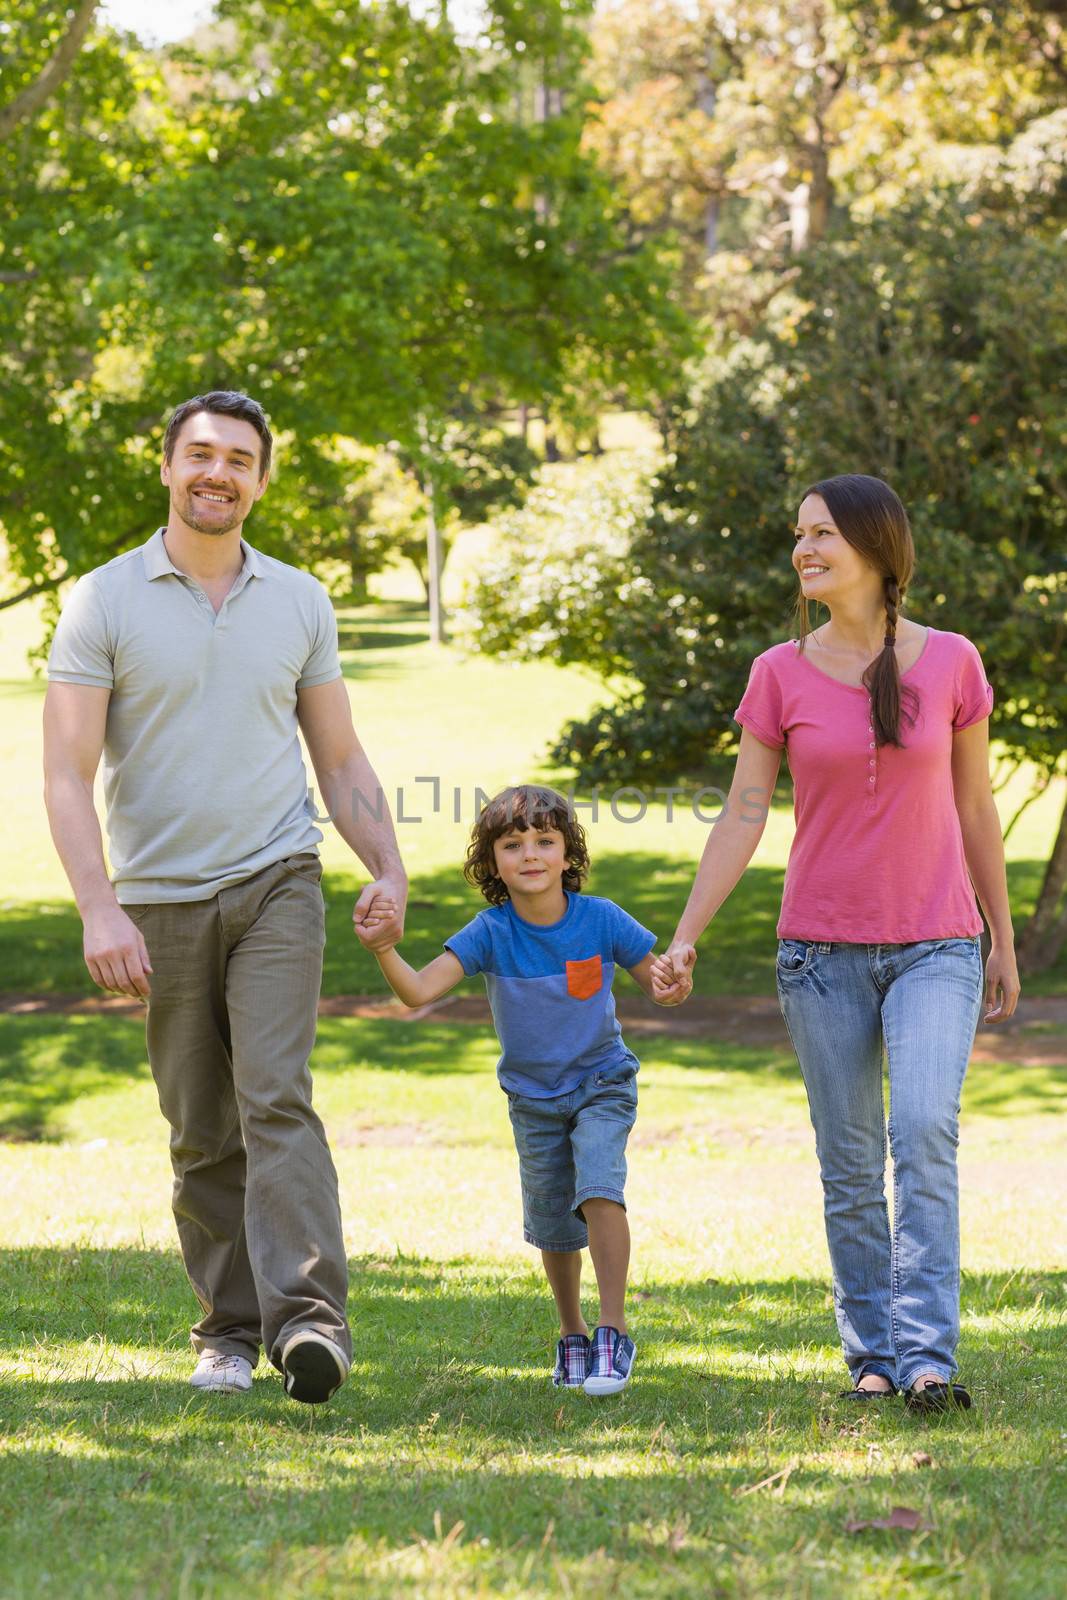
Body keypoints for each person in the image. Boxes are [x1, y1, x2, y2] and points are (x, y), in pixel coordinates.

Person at [43, 390, 407, 1404]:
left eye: (239, 459)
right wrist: (97, 906)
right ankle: (226, 1332)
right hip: (156, 897)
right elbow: (66, 772)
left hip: (276, 878)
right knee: (202, 1125)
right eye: (200, 454)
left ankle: (308, 1325)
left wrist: (385, 862)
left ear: (261, 478)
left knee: (274, 1093)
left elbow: (337, 759)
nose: (218, 472)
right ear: (165, 466)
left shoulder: (298, 598)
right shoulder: (103, 599)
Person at [651, 473, 1020, 1413]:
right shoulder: (778, 671)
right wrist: (687, 934)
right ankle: (873, 1354)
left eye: (821, 534)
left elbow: (975, 808)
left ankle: (929, 1354)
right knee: (850, 1160)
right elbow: (742, 813)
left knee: (924, 1130)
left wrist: (1001, 940)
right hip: (818, 955)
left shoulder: (951, 663)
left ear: (873, 547)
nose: (802, 551)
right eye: (798, 536)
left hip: (937, 941)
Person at [356, 783, 691, 1395]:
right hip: (533, 1100)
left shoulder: (602, 918)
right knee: (552, 1220)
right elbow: (417, 992)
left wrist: (673, 977)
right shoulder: (490, 932)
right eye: (513, 845)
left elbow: (659, 984)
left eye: (545, 841)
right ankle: (573, 1334)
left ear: (569, 855)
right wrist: (384, 950)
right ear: (492, 863)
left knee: (598, 1186)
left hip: (601, 1082)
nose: (531, 855)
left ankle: (613, 1333)